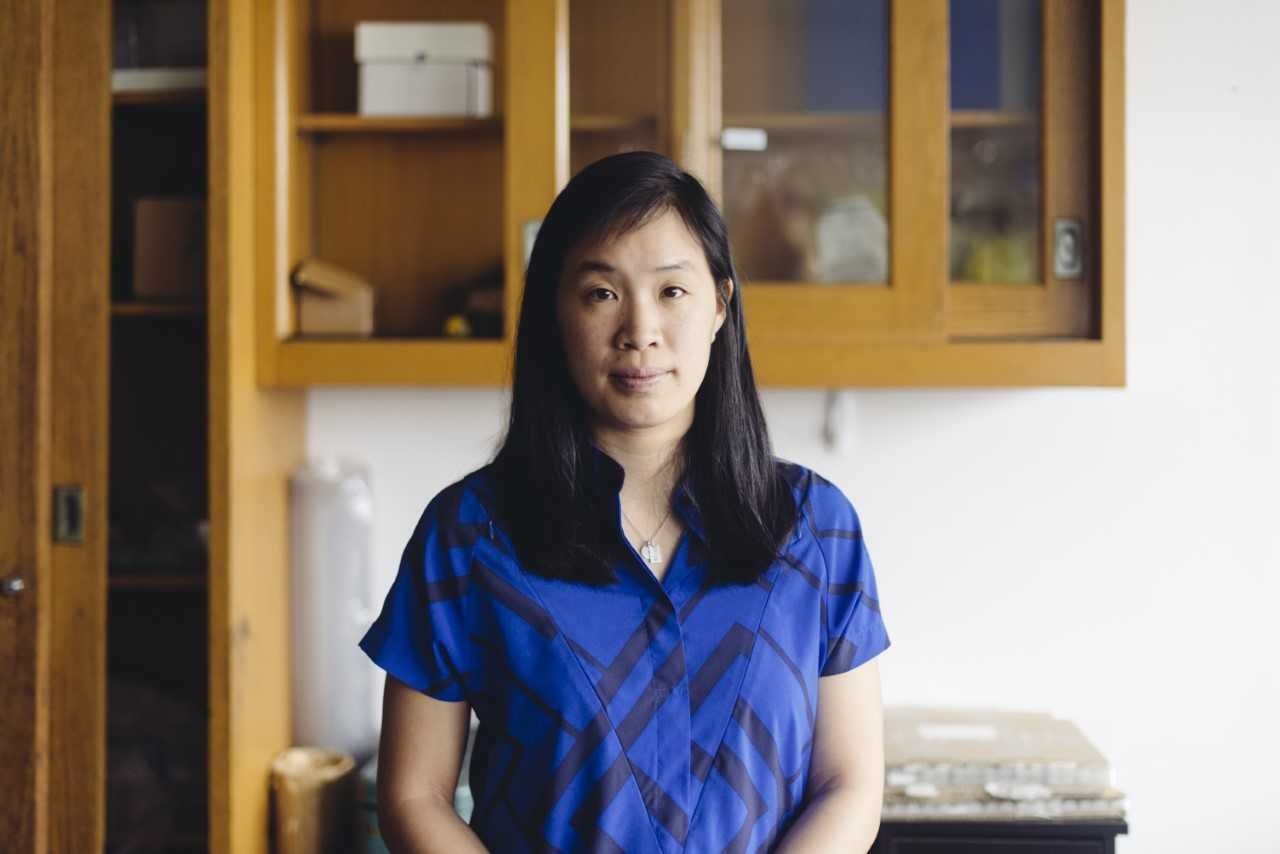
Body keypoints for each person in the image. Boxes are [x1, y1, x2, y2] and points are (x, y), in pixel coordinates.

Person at [359, 151, 891, 853]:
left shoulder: (815, 527)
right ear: (555, 312)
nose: (640, 330)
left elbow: (849, 783)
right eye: (601, 293)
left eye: (671, 291)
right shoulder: (467, 535)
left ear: (719, 306)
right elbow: (412, 796)